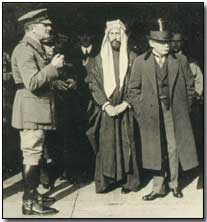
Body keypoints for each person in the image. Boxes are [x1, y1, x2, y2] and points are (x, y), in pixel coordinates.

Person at [126, 18, 198, 200]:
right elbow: (132, 90)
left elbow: (190, 87)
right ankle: (158, 188)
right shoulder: (141, 62)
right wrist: (142, 111)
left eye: (168, 42)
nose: (167, 46)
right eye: (161, 42)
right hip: (151, 114)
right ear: (151, 43)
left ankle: (174, 185)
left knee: (174, 148)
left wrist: (184, 108)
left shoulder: (180, 60)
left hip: (174, 112)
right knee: (156, 149)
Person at [11, 9, 65, 215]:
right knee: (32, 154)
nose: (49, 28)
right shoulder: (25, 50)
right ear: (32, 29)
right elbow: (32, 82)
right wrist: (52, 67)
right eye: (45, 25)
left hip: (36, 108)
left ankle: (34, 195)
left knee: (36, 153)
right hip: (31, 109)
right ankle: (29, 202)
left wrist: (57, 82)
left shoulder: (35, 48)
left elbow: (38, 79)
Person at [87, 19, 140, 194]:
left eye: (118, 33)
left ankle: (129, 182)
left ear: (123, 35)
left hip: (126, 108)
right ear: (107, 36)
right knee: (106, 144)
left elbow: (136, 84)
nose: (115, 37)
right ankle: (106, 181)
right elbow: (94, 84)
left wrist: (126, 103)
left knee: (128, 143)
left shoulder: (132, 57)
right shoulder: (98, 59)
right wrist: (106, 105)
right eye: (111, 33)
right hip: (107, 109)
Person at [171, 32, 203, 190]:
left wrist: (191, 101)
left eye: (178, 42)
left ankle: (192, 170)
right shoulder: (168, 60)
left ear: (183, 43)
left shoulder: (191, 62)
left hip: (190, 105)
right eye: (173, 41)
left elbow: (198, 84)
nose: (175, 45)